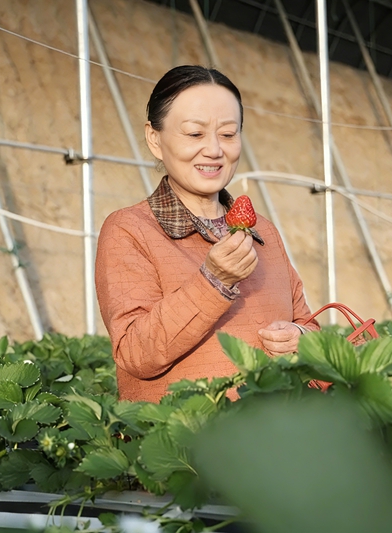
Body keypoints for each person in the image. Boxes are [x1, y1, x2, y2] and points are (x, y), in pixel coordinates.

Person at [95, 65, 319, 403]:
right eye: (195, 134)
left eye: (228, 134)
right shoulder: (129, 230)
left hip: (275, 441)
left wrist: (300, 336)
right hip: (184, 445)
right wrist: (213, 280)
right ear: (155, 139)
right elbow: (135, 353)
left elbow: (307, 321)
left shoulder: (264, 231)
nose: (214, 150)